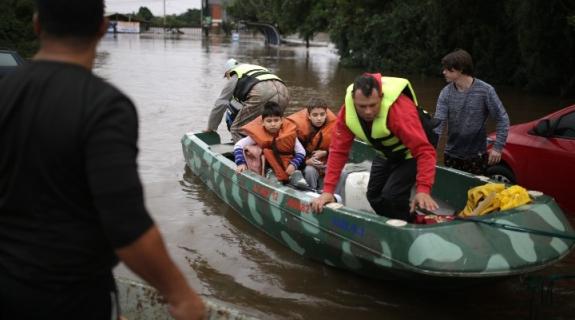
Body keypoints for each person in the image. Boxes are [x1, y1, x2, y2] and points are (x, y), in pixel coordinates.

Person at [0, 1, 204, 319]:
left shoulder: (5, 91)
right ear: (102, 27)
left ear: (37, 25)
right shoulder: (104, 105)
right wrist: (181, 295)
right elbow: (126, 225)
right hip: (74, 296)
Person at [311, 73, 439, 221]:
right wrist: (328, 191)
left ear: (381, 97)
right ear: (353, 100)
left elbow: (424, 151)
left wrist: (423, 189)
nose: (368, 111)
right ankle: (391, 224)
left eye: (373, 105)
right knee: (373, 196)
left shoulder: (399, 111)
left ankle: (413, 223)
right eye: (362, 106)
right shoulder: (346, 113)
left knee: (392, 196)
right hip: (387, 152)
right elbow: (338, 151)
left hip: (413, 152)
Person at [434, 49, 510, 175]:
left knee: (474, 193)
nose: (444, 72)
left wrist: (498, 148)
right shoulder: (445, 93)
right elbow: (438, 124)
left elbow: (503, 119)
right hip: (451, 153)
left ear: (461, 69)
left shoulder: (485, 91)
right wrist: (430, 148)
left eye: (448, 69)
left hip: (477, 155)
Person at [205, 58, 290, 142]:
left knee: (237, 129)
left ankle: (243, 154)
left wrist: (211, 127)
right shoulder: (253, 68)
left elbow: (221, 102)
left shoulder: (235, 74)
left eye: (227, 76)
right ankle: (275, 151)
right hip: (284, 91)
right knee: (272, 125)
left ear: (228, 72)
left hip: (262, 91)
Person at [234, 101, 307, 187]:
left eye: (276, 120)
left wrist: (293, 165)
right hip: (270, 170)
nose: (273, 124)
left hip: (289, 167)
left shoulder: (290, 133)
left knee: (301, 184)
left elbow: (301, 152)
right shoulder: (257, 135)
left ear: (281, 121)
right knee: (275, 185)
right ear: (263, 123)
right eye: (269, 121)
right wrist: (240, 163)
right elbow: (238, 145)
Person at [287, 97, 337, 190]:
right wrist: (306, 162)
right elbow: (291, 155)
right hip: (306, 164)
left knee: (341, 171)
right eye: (315, 115)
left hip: (326, 162)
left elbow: (342, 149)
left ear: (326, 114)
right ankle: (311, 192)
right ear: (309, 116)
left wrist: (325, 152)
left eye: (322, 114)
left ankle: (334, 196)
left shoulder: (334, 126)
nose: (319, 118)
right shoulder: (299, 130)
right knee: (309, 170)